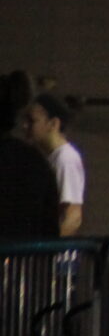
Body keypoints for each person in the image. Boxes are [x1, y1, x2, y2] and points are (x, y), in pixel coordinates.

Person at [0, 73, 64, 239]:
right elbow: (50, 227)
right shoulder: (35, 162)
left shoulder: (58, 159)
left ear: (53, 123)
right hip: (29, 262)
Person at [20, 93, 85, 236]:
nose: (25, 126)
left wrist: (49, 249)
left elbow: (73, 217)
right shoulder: (51, 159)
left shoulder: (65, 159)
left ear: (53, 124)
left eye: (32, 121)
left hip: (57, 256)